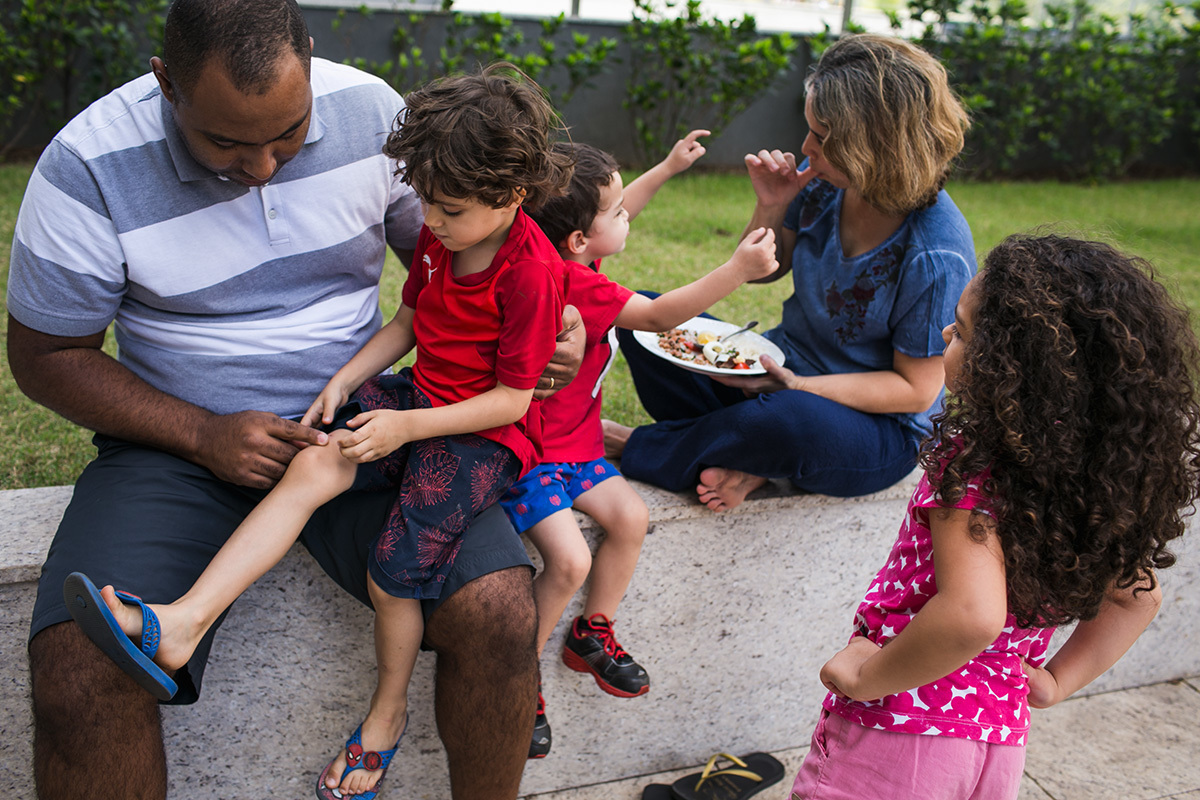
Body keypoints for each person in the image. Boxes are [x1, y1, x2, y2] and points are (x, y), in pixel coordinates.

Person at [5, 2, 581, 798]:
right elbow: (44, 357)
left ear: (309, 60)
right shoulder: (88, 164)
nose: (265, 166)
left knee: (498, 608)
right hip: (173, 448)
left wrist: (565, 328)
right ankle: (175, 622)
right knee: (80, 665)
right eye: (227, 143)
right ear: (165, 82)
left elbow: (466, 263)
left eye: (288, 133)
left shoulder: (377, 116)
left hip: (372, 428)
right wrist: (201, 433)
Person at [791, 233, 1200, 799]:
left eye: (961, 330)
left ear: (1013, 368)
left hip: (900, 730)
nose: (944, 335)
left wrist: (866, 677)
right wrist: (1057, 681)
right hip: (998, 744)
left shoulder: (974, 464)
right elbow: (1138, 596)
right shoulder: (1099, 476)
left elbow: (973, 615)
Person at [607, 34, 975, 511]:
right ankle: (753, 459)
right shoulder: (828, 181)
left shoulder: (935, 252)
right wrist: (772, 206)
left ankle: (630, 443)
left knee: (785, 422)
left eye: (821, 138)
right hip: (781, 371)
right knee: (647, 322)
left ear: (873, 146)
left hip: (872, 428)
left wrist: (796, 387)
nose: (806, 147)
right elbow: (763, 271)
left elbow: (914, 391)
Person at [501, 135, 779, 757]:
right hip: (532, 455)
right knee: (568, 562)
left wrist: (667, 169)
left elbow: (611, 215)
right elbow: (658, 317)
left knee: (632, 518)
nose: (630, 214)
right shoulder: (574, 284)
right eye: (619, 210)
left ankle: (591, 634)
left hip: (577, 447)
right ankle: (516, 679)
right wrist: (735, 270)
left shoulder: (565, 257)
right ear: (580, 238)